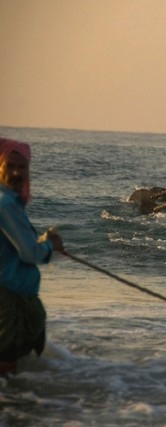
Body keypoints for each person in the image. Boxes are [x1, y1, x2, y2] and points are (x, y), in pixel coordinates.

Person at [0, 138, 64, 375]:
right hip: (10, 296)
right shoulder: (5, 204)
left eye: (22, 167)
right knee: (6, 362)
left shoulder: (9, 202)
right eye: (10, 166)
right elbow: (28, 254)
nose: (17, 172)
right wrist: (49, 245)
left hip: (9, 294)